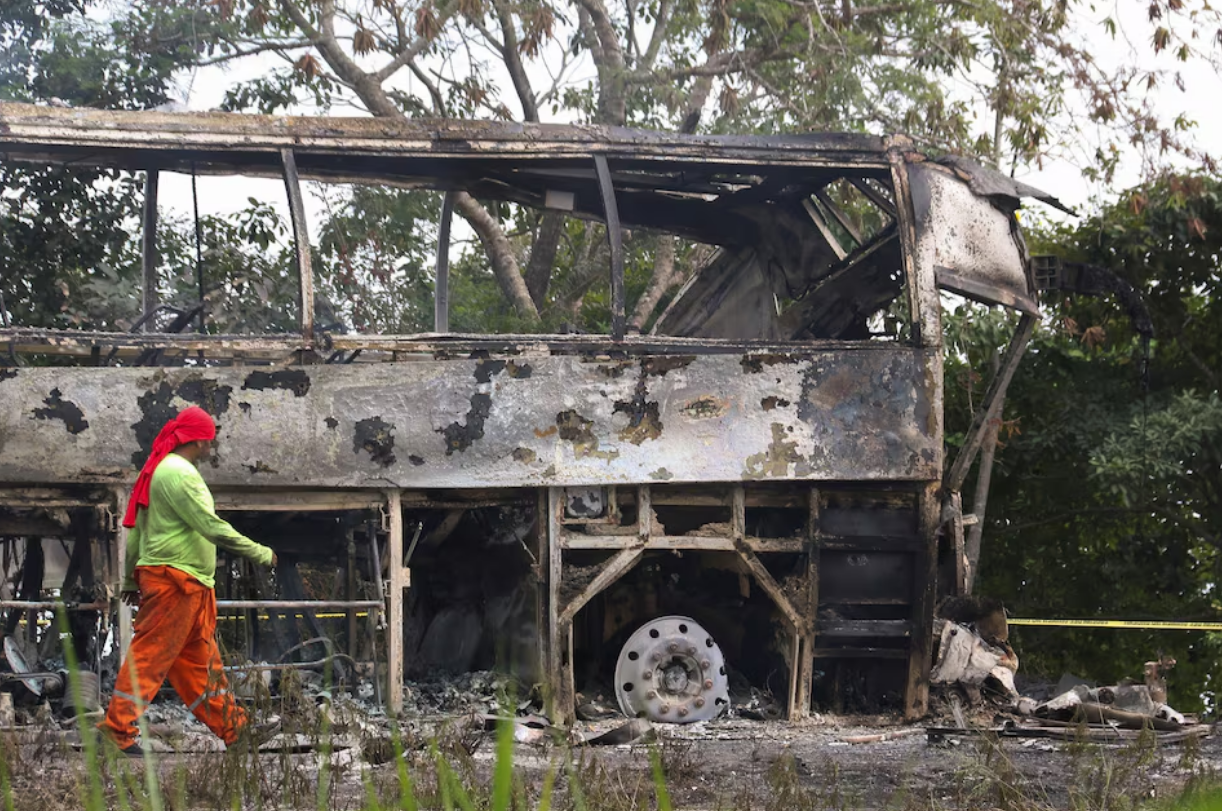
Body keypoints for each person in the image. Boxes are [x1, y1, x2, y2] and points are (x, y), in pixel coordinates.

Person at [98, 406, 278, 757]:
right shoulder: (180, 474)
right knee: (149, 658)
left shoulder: (157, 471)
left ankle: (236, 731)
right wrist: (260, 552)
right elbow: (211, 526)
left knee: (200, 666)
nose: (211, 448)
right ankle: (116, 732)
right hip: (176, 582)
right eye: (209, 441)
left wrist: (132, 580)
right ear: (198, 440)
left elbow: (135, 533)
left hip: (182, 583)